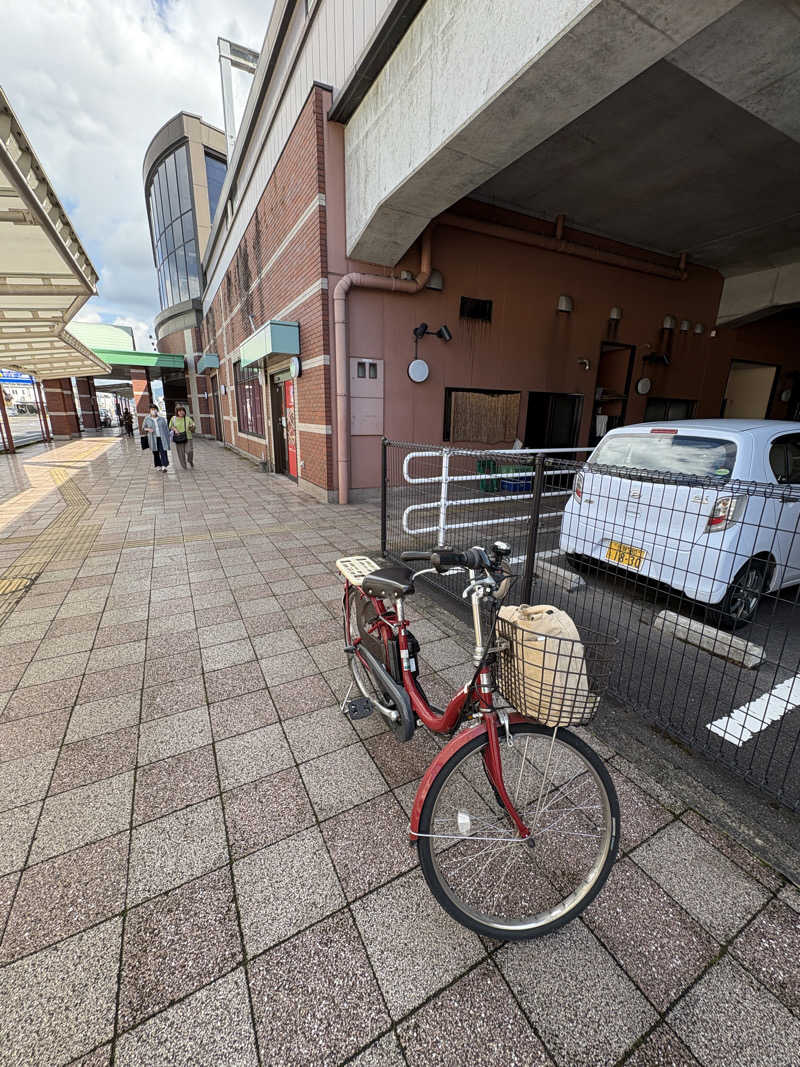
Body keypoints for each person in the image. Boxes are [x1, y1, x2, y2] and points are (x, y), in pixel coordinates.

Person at [141, 404, 171, 472]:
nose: (153, 411)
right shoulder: (147, 419)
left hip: (161, 438)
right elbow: (143, 428)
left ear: (157, 410)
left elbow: (166, 429)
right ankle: (158, 465)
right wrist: (148, 429)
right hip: (152, 438)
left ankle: (164, 466)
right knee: (155, 452)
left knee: (163, 451)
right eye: (152, 409)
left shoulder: (162, 419)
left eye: (154, 409)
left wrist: (168, 438)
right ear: (149, 411)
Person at [168, 404, 196, 469]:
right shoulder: (173, 418)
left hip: (188, 437)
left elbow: (193, 427)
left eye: (183, 410)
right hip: (178, 437)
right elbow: (170, 426)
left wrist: (192, 426)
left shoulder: (187, 418)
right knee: (181, 453)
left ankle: (190, 460)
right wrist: (175, 429)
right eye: (179, 411)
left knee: (189, 451)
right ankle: (184, 466)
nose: (181, 412)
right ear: (177, 412)